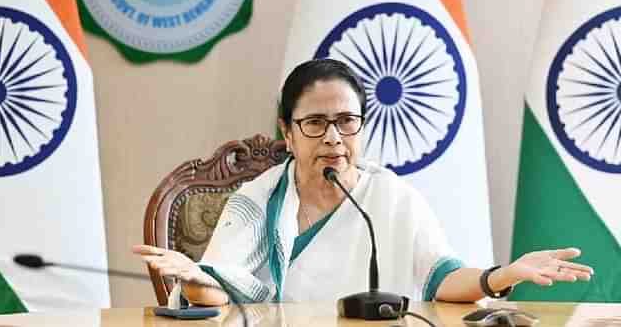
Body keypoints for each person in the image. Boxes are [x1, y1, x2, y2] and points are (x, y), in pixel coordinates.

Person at [133, 59, 593, 306]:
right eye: (315, 122)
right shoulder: (256, 202)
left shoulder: (391, 197)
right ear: (288, 133)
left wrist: (503, 275)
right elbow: (219, 292)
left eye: (346, 121)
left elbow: (441, 279)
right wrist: (195, 279)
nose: (333, 137)